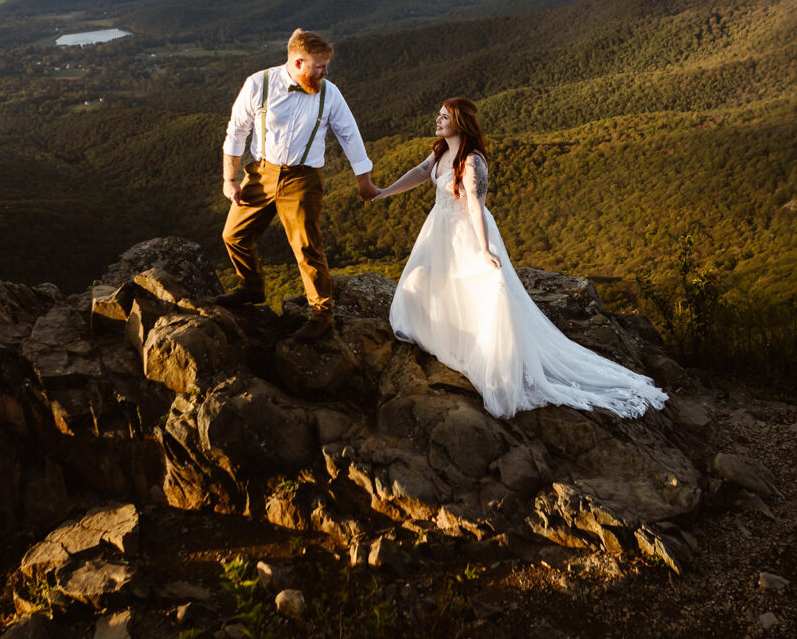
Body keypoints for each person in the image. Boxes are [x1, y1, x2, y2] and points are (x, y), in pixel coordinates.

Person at [372, 97, 667, 419]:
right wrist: (385, 191)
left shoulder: (472, 162)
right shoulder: (441, 151)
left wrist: (484, 250)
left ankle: (483, 353)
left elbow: (476, 208)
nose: (438, 121)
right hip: (439, 230)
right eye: (439, 115)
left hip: (467, 232)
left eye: (444, 117)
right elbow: (420, 172)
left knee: (481, 291)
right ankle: (444, 336)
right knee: (428, 282)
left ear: (459, 123)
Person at [219, 28, 379, 341]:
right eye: (319, 66)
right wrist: (229, 178)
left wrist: (365, 182)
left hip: (304, 177)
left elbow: (350, 135)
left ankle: (321, 315)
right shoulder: (258, 84)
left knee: (306, 246)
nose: (325, 72)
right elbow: (237, 131)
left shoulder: (329, 93)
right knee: (233, 235)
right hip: (261, 173)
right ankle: (250, 288)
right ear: (298, 62)